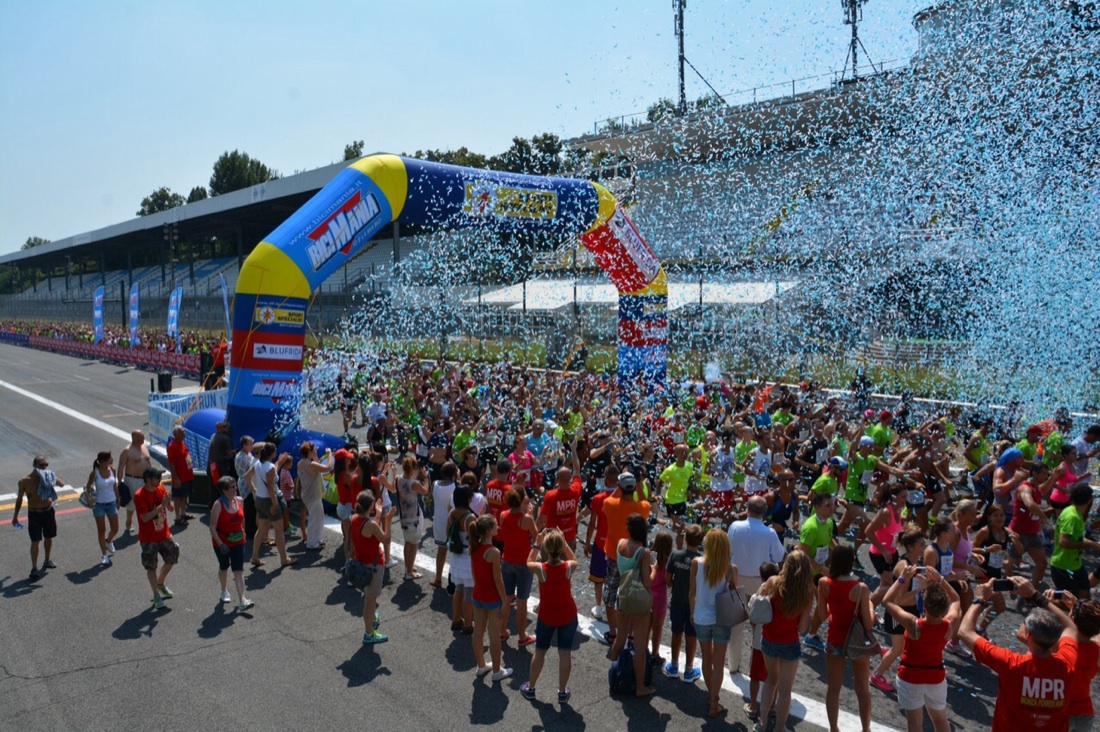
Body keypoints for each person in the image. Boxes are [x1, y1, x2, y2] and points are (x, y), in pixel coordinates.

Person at [958, 576, 1079, 732]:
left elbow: (964, 631)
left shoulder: (1012, 664)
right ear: (1058, 637)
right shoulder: (1067, 663)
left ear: (1028, 634)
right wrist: (1035, 595)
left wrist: (979, 599)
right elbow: (1070, 627)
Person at [883, 564, 961, 732]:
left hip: (909, 677)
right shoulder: (949, 624)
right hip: (935, 678)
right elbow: (956, 599)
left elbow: (887, 601)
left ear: (924, 606)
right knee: (940, 719)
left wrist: (902, 578)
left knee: (915, 724)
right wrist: (940, 579)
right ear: (944, 608)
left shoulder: (913, 624)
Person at [755, 550, 815, 732]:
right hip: (789, 644)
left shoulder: (773, 582)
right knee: (785, 690)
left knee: (770, 680)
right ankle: (780, 728)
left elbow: (759, 601)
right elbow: (802, 628)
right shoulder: (807, 594)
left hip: (769, 640)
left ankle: (762, 723)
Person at [726, 494, 786, 675]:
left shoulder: (735, 527)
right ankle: (756, 668)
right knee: (759, 626)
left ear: (747, 509)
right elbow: (779, 556)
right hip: (761, 582)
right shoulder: (770, 533)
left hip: (737, 578)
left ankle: (733, 665)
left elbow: (728, 551)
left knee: (735, 626)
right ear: (764, 513)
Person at [818, 543, 874, 732]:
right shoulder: (861, 588)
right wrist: (871, 607)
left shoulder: (824, 583)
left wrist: (835, 605)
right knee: (862, 689)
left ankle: (833, 728)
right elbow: (868, 625)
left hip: (835, 639)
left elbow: (822, 615)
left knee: (833, 688)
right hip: (857, 641)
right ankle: (865, 729)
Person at [519, 528, 579, 704]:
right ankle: (562, 692)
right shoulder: (568, 567)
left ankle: (531, 687)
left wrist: (536, 543)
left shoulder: (541, 569)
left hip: (547, 616)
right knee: (565, 653)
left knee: (539, 652)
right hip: (567, 615)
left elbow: (528, 561)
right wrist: (565, 542)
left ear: (546, 548)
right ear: (561, 548)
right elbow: (574, 559)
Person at [690, 528, 738, 717]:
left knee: (706, 658)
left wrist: (692, 612)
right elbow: (734, 594)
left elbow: (692, 593)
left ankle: (711, 697)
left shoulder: (696, 563)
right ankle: (713, 703)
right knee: (719, 663)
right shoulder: (730, 568)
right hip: (721, 618)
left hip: (701, 617)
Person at [601, 471, 652, 648]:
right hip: (635, 557)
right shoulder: (642, 507)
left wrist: (619, 486)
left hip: (614, 556)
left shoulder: (610, 503)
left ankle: (613, 633)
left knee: (610, 594)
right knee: (632, 596)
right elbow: (646, 501)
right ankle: (630, 635)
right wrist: (638, 484)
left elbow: (610, 499)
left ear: (620, 487)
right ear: (634, 488)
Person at [611, 513, 656, 698]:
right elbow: (647, 582)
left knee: (620, 637)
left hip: (623, 595)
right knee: (640, 645)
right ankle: (640, 687)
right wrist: (654, 569)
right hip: (638, 599)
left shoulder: (620, 544)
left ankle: (614, 674)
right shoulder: (643, 552)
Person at [469, 514, 512, 681]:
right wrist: (504, 601)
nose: (498, 528)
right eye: (495, 526)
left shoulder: (474, 547)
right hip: (492, 599)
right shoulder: (494, 552)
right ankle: (496, 671)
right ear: (488, 530)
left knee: (478, 632)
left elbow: (475, 575)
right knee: (494, 635)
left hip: (478, 595)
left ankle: (481, 665)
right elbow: (498, 579)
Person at [133, 467, 179, 610]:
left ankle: (160, 582)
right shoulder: (139, 495)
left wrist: (169, 501)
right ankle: (156, 595)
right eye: (157, 478)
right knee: (151, 566)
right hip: (149, 538)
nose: (160, 480)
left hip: (164, 534)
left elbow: (170, 509)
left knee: (173, 556)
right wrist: (161, 506)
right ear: (148, 480)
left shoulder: (160, 489)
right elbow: (145, 518)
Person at [13, 455, 65, 579]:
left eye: (46, 465)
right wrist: (15, 516)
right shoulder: (24, 481)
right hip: (34, 513)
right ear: (34, 466)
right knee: (35, 541)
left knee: (48, 537)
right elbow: (19, 499)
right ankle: (34, 568)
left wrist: (51, 475)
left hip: (48, 511)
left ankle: (47, 560)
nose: (44, 467)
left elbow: (62, 484)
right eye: (42, 465)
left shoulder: (47, 476)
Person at [352, 490, 393, 644]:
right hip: (373, 566)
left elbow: (371, 529)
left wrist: (378, 514)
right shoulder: (370, 525)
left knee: (369, 597)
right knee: (370, 602)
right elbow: (386, 539)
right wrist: (388, 520)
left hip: (362, 564)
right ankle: (369, 633)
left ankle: (372, 620)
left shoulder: (354, 519)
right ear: (370, 507)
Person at [664, 523, 703, 682]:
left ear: (685, 539)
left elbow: (667, 579)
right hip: (695, 604)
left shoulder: (675, 555)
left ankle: (674, 666)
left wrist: (676, 585)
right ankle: (688, 670)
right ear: (700, 541)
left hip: (677, 600)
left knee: (676, 632)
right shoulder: (702, 561)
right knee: (691, 635)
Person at [498, 487, 538, 644]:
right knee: (522, 601)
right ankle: (522, 636)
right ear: (521, 500)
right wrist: (531, 515)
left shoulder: (503, 515)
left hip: (507, 560)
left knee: (506, 599)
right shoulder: (526, 519)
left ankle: (502, 632)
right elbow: (536, 537)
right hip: (523, 563)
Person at [208, 476, 253, 611]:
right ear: (224, 490)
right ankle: (224, 590)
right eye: (232, 487)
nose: (235, 488)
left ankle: (243, 600)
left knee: (238, 570)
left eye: (235, 486)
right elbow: (212, 527)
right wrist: (221, 544)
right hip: (222, 543)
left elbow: (242, 519)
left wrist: (243, 532)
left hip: (238, 542)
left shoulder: (239, 501)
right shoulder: (218, 505)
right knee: (224, 566)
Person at [250, 443, 296, 570]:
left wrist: (279, 463)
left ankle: (255, 557)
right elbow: (270, 487)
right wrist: (275, 504)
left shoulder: (258, 464)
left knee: (261, 530)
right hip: (270, 500)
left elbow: (249, 476)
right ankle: (284, 559)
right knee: (279, 531)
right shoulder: (269, 467)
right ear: (273, 453)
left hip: (260, 499)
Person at [1051, 484, 1100, 599]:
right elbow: (1064, 542)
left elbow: (1077, 538)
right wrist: (1089, 544)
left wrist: (1094, 545)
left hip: (1075, 564)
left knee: (1084, 595)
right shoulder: (1072, 517)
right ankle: (1040, 599)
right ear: (1090, 500)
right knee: (1068, 601)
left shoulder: (1074, 512)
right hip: (1063, 565)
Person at [1062, 597, 1100, 732]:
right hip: (1084, 712)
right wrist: (1082, 611)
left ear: (1072, 620)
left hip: (1060, 710)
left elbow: (1023, 633)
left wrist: (1042, 605)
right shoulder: (1097, 650)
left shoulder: (1061, 645)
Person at [446, 484, 477, 634]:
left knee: (458, 590)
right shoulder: (470, 518)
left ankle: (456, 619)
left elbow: (447, 533)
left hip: (456, 557)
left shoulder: (452, 513)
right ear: (468, 498)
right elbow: (475, 539)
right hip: (467, 559)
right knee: (469, 593)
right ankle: (468, 624)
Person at [394, 456, 428, 580]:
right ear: (413, 468)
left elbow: (408, 481)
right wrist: (425, 478)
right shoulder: (414, 483)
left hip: (404, 517)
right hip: (414, 518)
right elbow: (425, 491)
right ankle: (409, 572)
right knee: (414, 545)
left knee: (407, 543)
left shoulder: (398, 479)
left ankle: (408, 567)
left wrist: (415, 475)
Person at [83, 451, 119, 566]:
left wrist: (118, 499)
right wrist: (88, 499)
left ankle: (108, 541)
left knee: (115, 528)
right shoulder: (95, 473)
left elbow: (114, 486)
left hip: (111, 503)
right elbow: (87, 488)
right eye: (110, 458)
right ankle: (104, 555)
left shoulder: (112, 470)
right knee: (101, 530)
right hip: (98, 505)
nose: (112, 460)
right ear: (103, 461)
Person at [298, 442, 333, 550]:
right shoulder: (311, 464)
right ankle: (312, 543)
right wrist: (329, 455)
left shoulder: (301, 462)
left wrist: (315, 455)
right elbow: (328, 467)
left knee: (319, 517)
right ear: (309, 452)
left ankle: (317, 539)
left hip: (308, 494)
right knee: (314, 519)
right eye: (314, 450)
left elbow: (317, 466)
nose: (316, 450)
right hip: (313, 495)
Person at [118, 429, 153, 534]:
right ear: (135, 438)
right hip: (132, 479)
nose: (144, 437)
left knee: (146, 502)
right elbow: (121, 466)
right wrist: (119, 483)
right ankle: (129, 522)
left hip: (145, 480)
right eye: (141, 436)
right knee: (132, 504)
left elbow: (149, 462)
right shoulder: (127, 450)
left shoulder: (144, 447)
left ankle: (144, 524)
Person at [430, 462, 458, 588]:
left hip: (438, 523)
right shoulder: (455, 486)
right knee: (455, 554)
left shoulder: (435, 484)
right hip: (452, 524)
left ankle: (438, 579)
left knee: (441, 552)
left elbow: (431, 497)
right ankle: (454, 583)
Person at [649, 530, 674, 665]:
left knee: (646, 627)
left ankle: (643, 651)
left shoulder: (649, 558)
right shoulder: (668, 563)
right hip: (660, 598)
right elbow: (669, 582)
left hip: (648, 595)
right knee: (657, 629)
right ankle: (654, 655)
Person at [165, 425, 195, 525]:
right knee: (178, 497)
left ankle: (183, 513)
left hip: (187, 476)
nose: (184, 433)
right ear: (176, 434)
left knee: (185, 495)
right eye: (182, 432)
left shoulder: (182, 443)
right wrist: (176, 479)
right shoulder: (172, 446)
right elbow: (171, 464)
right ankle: (177, 517)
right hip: (180, 478)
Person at [234, 436, 259, 544]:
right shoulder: (242, 457)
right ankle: (250, 532)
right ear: (244, 445)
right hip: (245, 484)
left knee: (251, 508)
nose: (252, 445)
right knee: (249, 508)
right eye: (250, 443)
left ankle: (252, 530)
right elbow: (245, 473)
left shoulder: (248, 454)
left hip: (247, 481)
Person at [207, 419, 235, 485]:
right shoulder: (225, 438)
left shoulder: (213, 436)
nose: (227, 428)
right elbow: (230, 455)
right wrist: (234, 454)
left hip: (211, 466)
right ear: (219, 429)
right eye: (225, 427)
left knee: (214, 486)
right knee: (225, 485)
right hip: (221, 467)